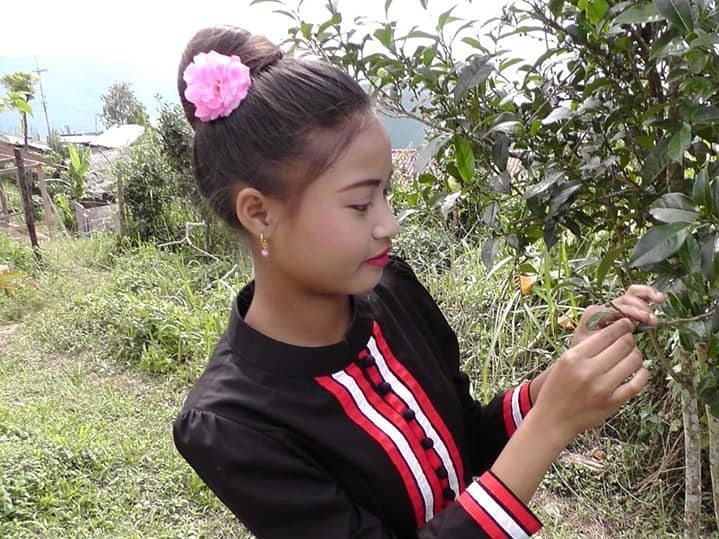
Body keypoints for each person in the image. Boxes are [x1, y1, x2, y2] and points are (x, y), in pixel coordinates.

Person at [172, 25, 667, 539]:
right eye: (361, 204)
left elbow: (466, 440)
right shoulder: (232, 422)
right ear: (259, 213)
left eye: (386, 192)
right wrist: (552, 425)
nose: (388, 224)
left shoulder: (392, 292)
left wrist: (561, 383)